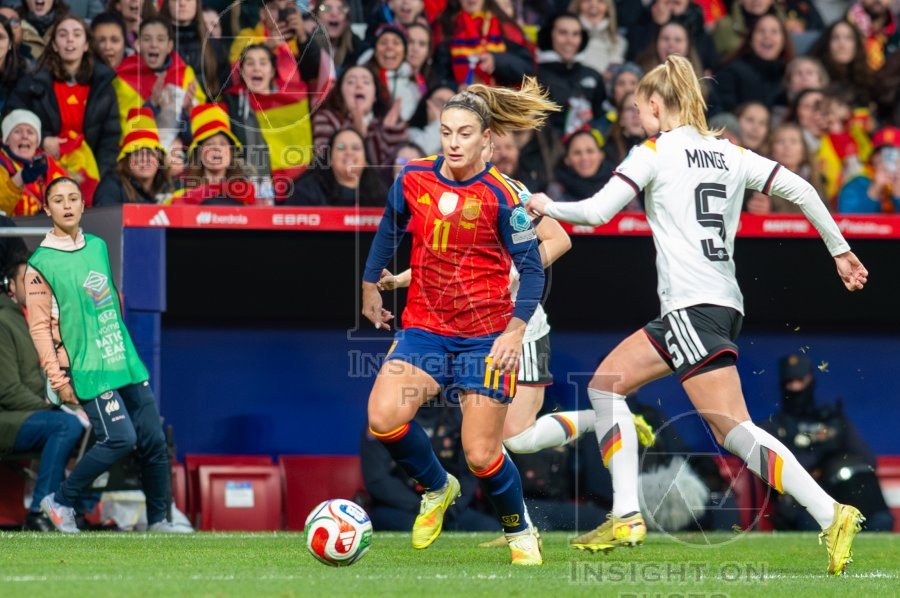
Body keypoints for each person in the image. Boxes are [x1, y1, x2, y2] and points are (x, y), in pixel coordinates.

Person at [525, 54, 869, 576]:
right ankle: (626, 514)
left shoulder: (655, 152)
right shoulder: (730, 154)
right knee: (608, 384)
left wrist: (547, 204)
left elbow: (596, 212)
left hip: (690, 307)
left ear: (659, 106)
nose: (638, 119)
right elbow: (801, 189)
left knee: (733, 429)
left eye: (640, 109)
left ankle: (830, 512)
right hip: (721, 304)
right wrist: (839, 250)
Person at [360, 76, 559, 566]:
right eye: (446, 132)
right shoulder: (413, 177)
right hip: (425, 328)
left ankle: (520, 532)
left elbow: (532, 271)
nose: (453, 142)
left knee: (481, 454)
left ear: (486, 138)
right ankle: (436, 487)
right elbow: (390, 225)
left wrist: (514, 333)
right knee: (383, 419)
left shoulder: (503, 196)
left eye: (464, 133)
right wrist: (369, 285)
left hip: (485, 338)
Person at [25, 176, 191, 534]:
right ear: (46, 208)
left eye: (73, 198)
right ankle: (60, 500)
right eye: (58, 200)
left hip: (122, 359)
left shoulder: (99, 246)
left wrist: (126, 352)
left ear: (84, 205)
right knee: (121, 438)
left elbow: (110, 303)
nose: (67, 205)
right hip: (87, 367)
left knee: (153, 437)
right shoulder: (40, 264)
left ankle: (160, 521)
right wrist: (58, 378)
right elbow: (39, 328)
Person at [0, 225, 86, 532]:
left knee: (91, 422)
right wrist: (52, 408)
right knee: (65, 424)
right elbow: (8, 391)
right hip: (8, 418)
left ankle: (77, 509)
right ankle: (40, 512)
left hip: (24, 415)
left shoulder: (27, 321)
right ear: (10, 286)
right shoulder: (3, 322)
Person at [757, 353, 894, 532]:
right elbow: (778, 474)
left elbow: (868, 460)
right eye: (790, 382)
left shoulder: (831, 419)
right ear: (782, 385)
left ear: (810, 380)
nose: (795, 387)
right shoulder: (773, 426)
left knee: (879, 520)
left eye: (800, 380)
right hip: (802, 503)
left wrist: (834, 454)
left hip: (842, 495)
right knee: (815, 521)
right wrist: (820, 451)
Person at [6, 14, 121, 205]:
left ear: (86, 45)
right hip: (42, 171)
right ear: (54, 45)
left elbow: (110, 138)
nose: (69, 40)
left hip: (91, 175)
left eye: (77, 34)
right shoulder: (32, 82)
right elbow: (12, 118)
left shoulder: (103, 87)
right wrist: (42, 140)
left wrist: (98, 178)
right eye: (63, 34)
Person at [360, 400, 499, 533]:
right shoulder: (386, 413)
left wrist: (448, 509)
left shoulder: (459, 411)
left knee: (492, 529)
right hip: (403, 507)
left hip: (449, 507)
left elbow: (470, 473)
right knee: (411, 527)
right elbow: (376, 479)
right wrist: (423, 507)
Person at [93, 107, 174, 206]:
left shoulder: (169, 187)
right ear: (126, 160)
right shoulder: (110, 187)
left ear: (159, 159)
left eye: (150, 153)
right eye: (137, 153)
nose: (144, 159)